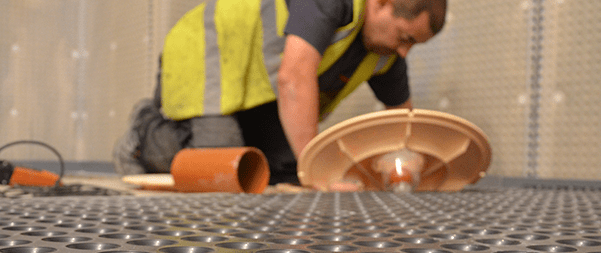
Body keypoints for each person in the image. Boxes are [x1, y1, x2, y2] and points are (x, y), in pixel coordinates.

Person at [114, 0, 447, 186]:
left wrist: (416, 167)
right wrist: (318, 169)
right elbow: (294, 79)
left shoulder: (385, 54)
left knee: (283, 171)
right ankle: (142, 136)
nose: (405, 52)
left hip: (254, 87)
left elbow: (404, 125)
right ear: (381, 4)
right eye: (405, 38)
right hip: (209, 49)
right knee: (223, 170)